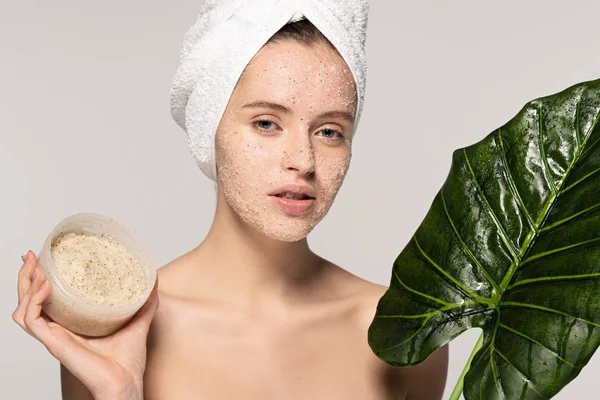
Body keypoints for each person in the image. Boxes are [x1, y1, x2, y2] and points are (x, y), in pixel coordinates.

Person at [13, 5, 448, 400]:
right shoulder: (120, 333)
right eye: (266, 123)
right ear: (210, 127)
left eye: (330, 131)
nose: (303, 161)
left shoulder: (404, 330)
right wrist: (120, 392)